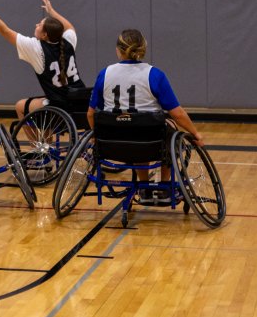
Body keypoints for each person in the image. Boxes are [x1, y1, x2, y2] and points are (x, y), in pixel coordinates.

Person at [86, 28, 205, 205]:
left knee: (136, 129)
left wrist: (96, 136)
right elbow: (177, 113)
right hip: (149, 143)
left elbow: (90, 114)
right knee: (167, 127)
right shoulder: (155, 75)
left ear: (118, 50)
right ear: (142, 49)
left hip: (112, 144)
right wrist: (196, 134)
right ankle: (165, 184)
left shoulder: (105, 74)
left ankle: (143, 185)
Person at [0, 0, 84, 126]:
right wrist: (52, 12)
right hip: (82, 103)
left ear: (45, 35)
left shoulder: (37, 49)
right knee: (43, 106)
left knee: (20, 106)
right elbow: (69, 27)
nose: (36, 25)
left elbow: (5, 31)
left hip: (60, 107)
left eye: (40, 25)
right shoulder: (68, 41)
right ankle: (45, 144)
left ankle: (41, 146)